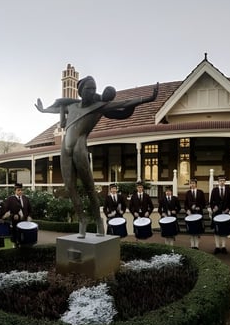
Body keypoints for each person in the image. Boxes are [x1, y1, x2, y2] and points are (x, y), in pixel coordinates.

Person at [36, 76, 159, 237]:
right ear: (81, 91)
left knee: (89, 188)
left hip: (79, 148)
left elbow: (124, 104)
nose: (93, 92)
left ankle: (99, 222)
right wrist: (43, 110)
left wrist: (148, 98)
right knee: (70, 188)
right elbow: (58, 107)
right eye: (89, 89)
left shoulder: (98, 107)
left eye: (94, 89)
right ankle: (82, 220)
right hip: (64, 150)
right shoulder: (71, 106)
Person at [209, 175, 230, 254]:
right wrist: (213, 208)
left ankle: (223, 247)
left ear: (225, 181)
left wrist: (228, 209)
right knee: (216, 230)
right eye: (220, 181)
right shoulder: (214, 190)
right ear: (218, 182)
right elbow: (211, 202)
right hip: (216, 213)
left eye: (223, 181)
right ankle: (217, 247)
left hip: (225, 213)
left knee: (224, 230)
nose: (222, 182)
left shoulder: (228, 190)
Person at [183, 179, 206, 250]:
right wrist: (187, 210)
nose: (192, 185)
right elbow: (185, 204)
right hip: (190, 214)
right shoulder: (188, 193)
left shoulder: (200, 192)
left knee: (197, 231)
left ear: (196, 184)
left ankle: (196, 245)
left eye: (193, 183)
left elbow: (204, 203)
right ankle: (192, 245)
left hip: (198, 214)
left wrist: (199, 207)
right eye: (191, 183)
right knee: (191, 231)